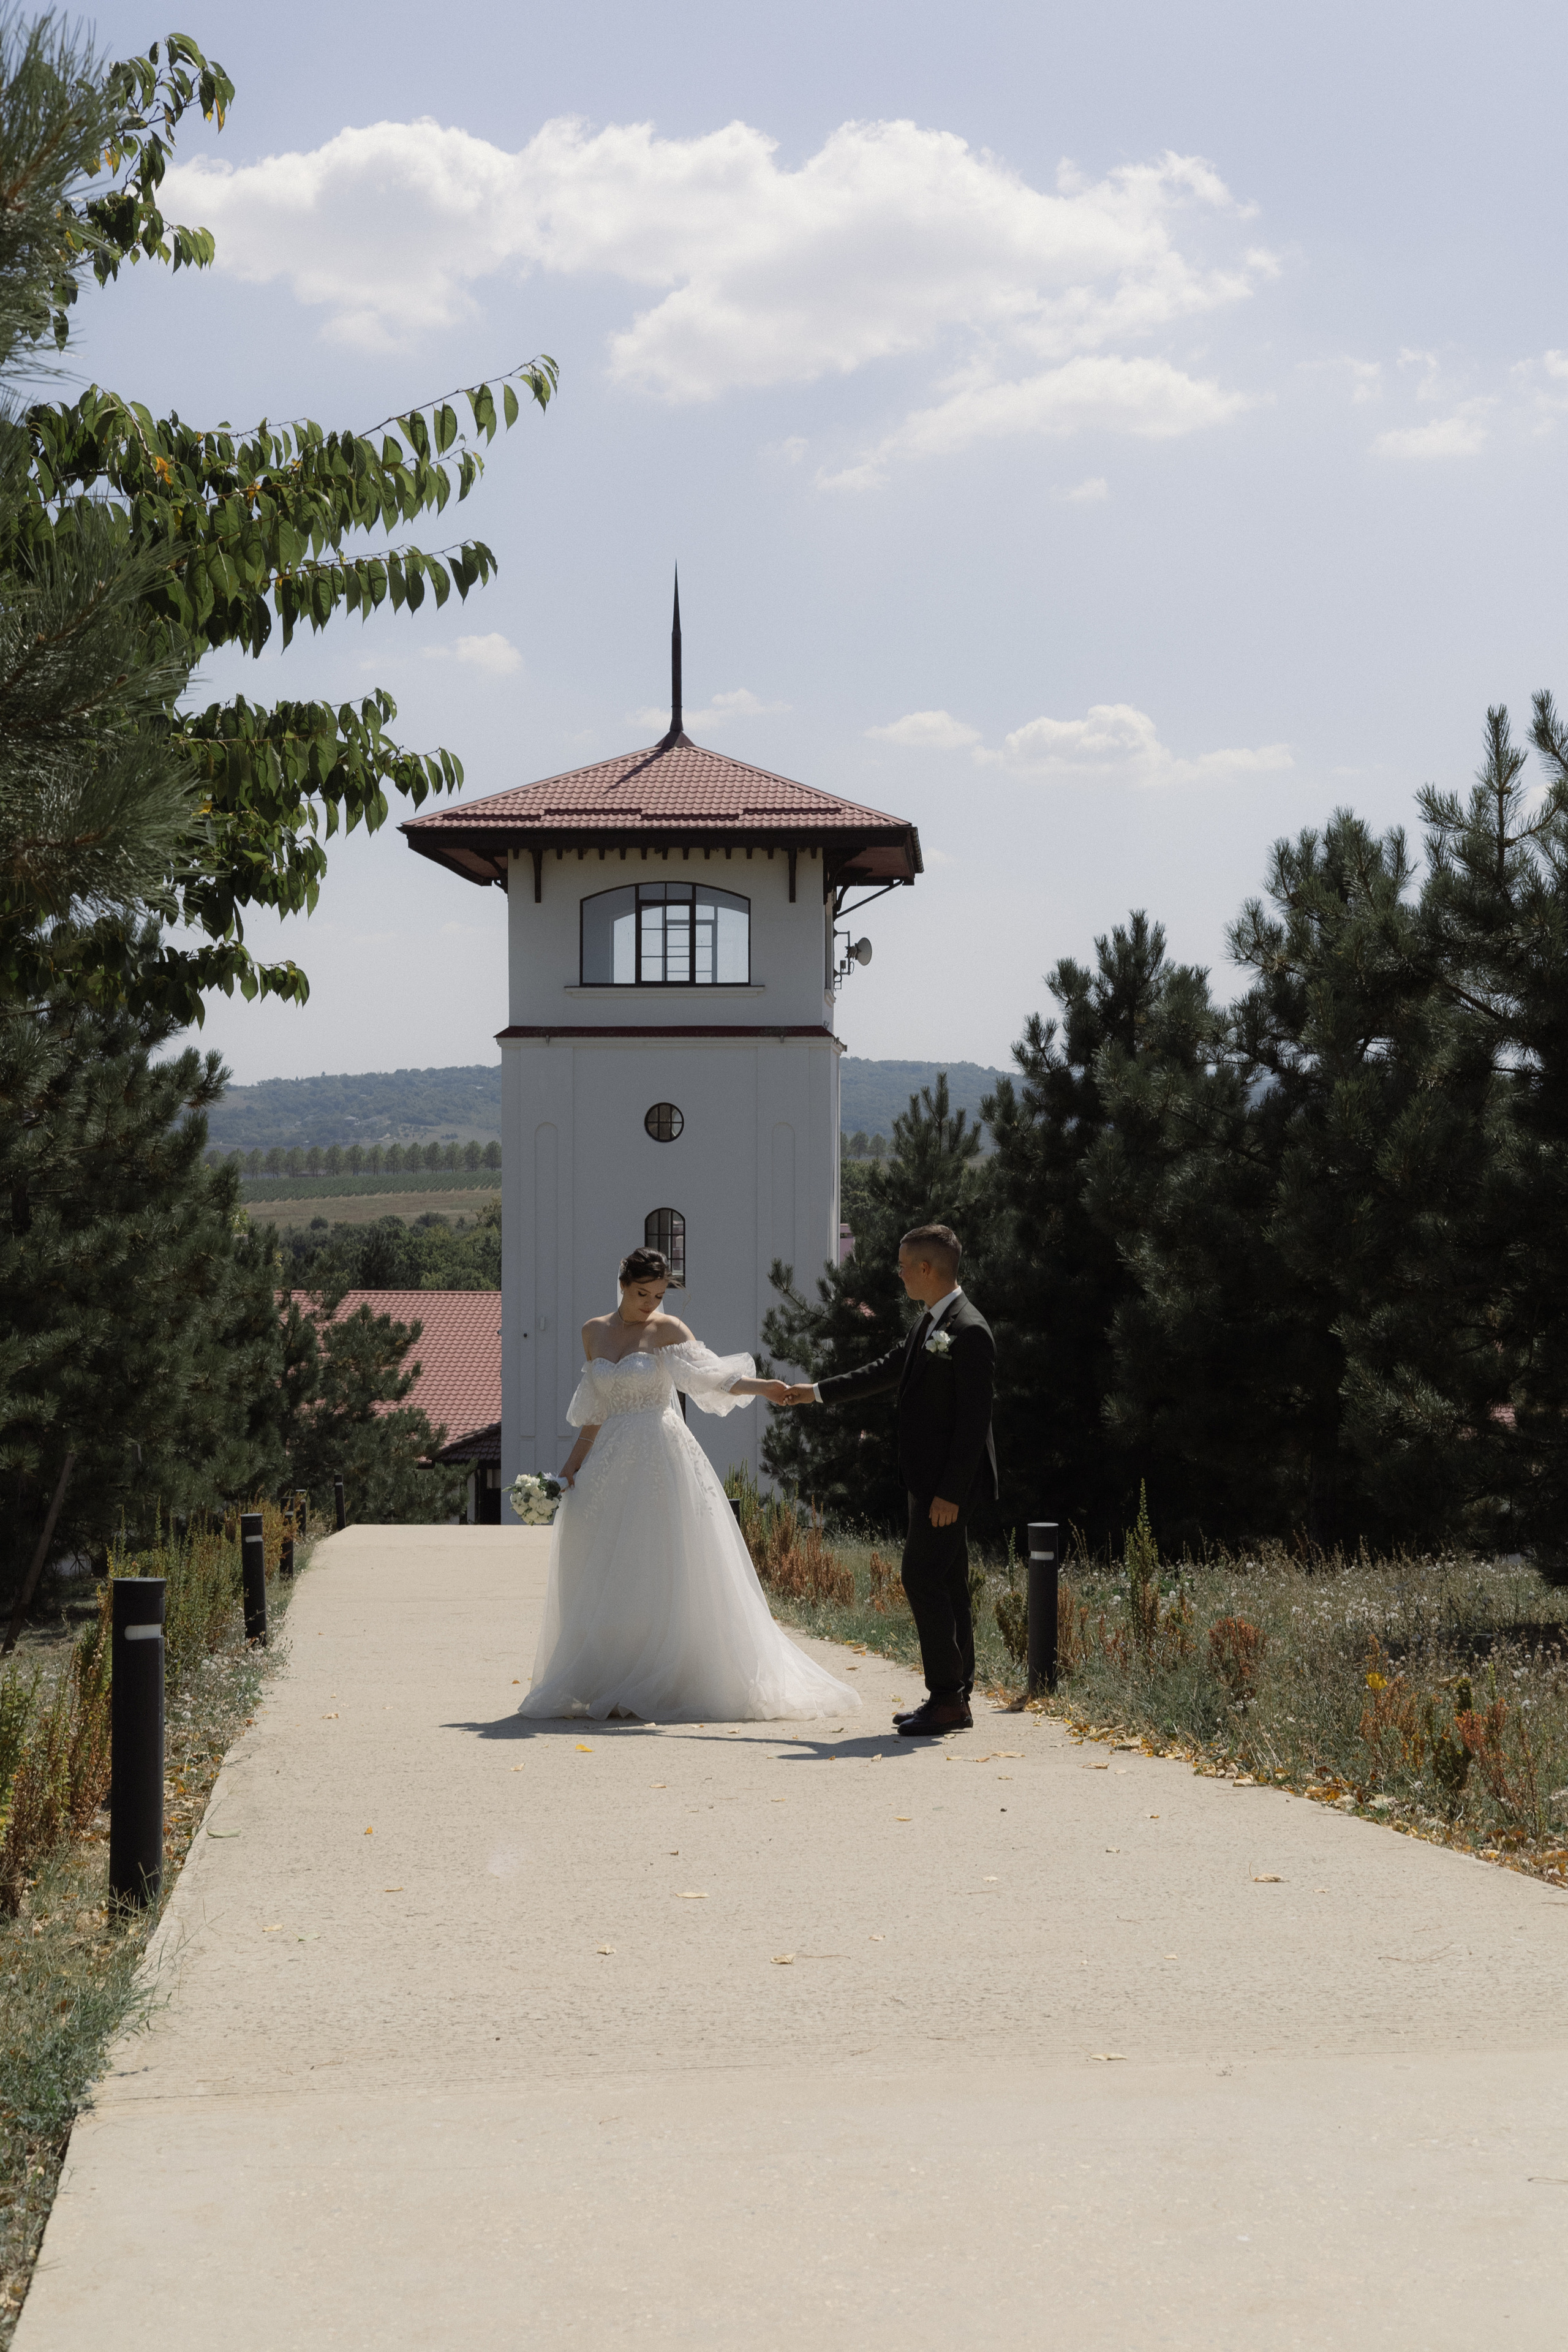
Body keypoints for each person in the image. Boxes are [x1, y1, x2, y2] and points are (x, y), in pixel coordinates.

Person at [517, 1247, 861, 1724]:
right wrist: (567, 1472)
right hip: (611, 1464)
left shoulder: (668, 1331)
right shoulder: (593, 1332)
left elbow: (712, 1380)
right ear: (623, 1284)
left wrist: (764, 1388)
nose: (650, 1304)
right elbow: (594, 1416)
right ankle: (611, 1676)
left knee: (663, 1563)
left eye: (659, 1295)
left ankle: (668, 1676)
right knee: (612, 1568)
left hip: (662, 1456)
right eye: (643, 1294)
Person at [784, 1223, 996, 1738]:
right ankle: (956, 1693)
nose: (899, 1274)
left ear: (926, 1269)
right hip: (927, 1482)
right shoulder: (929, 1323)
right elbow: (887, 1369)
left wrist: (948, 1493)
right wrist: (813, 1392)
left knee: (920, 1578)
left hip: (947, 1489)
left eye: (904, 1266)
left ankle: (947, 1701)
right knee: (947, 1583)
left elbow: (974, 1425)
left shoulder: (967, 1331)